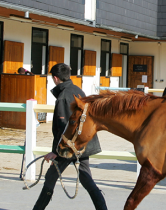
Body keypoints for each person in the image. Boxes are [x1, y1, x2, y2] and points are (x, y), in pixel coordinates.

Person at [33, 63, 107, 210]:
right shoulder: (78, 90)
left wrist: (55, 151)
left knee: (50, 178)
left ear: (55, 78)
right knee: (87, 179)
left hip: (68, 147)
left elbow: (63, 126)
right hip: (82, 144)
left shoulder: (63, 97)